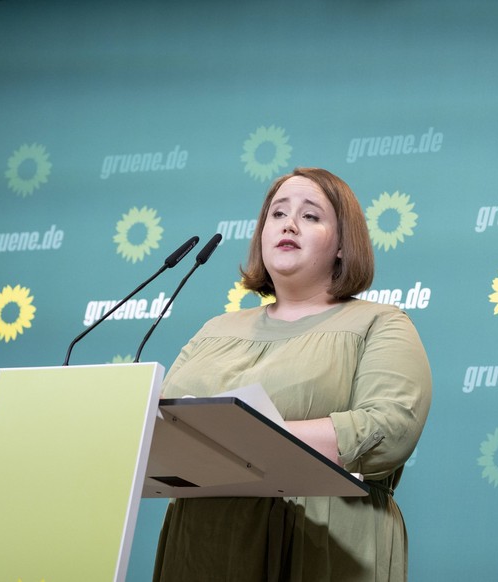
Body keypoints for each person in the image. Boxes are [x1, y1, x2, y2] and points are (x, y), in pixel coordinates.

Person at [152, 167, 432, 581]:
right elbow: (161, 424)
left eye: (311, 216)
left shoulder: (381, 323)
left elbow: (389, 430)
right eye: (277, 214)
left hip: (321, 545)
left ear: (342, 244)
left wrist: (249, 436)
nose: (289, 224)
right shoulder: (214, 330)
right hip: (203, 543)